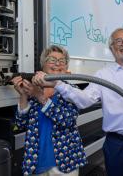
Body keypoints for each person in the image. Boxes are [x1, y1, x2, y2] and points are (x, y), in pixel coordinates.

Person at [33, 28, 123, 176]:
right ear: (112, 48)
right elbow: (84, 100)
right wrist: (58, 84)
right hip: (118, 147)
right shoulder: (103, 75)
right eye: (118, 41)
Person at [12, 45, 87, 176]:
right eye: (52, 60)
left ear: (66, 67)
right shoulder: (33, 88)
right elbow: (20, 124)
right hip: (36, 163)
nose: (57, 64)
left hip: (65, 164)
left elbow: (67, 120)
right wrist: (23, 95)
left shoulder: (72, 90)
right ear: (43, 65)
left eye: (62, 61)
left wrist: (39, 96)